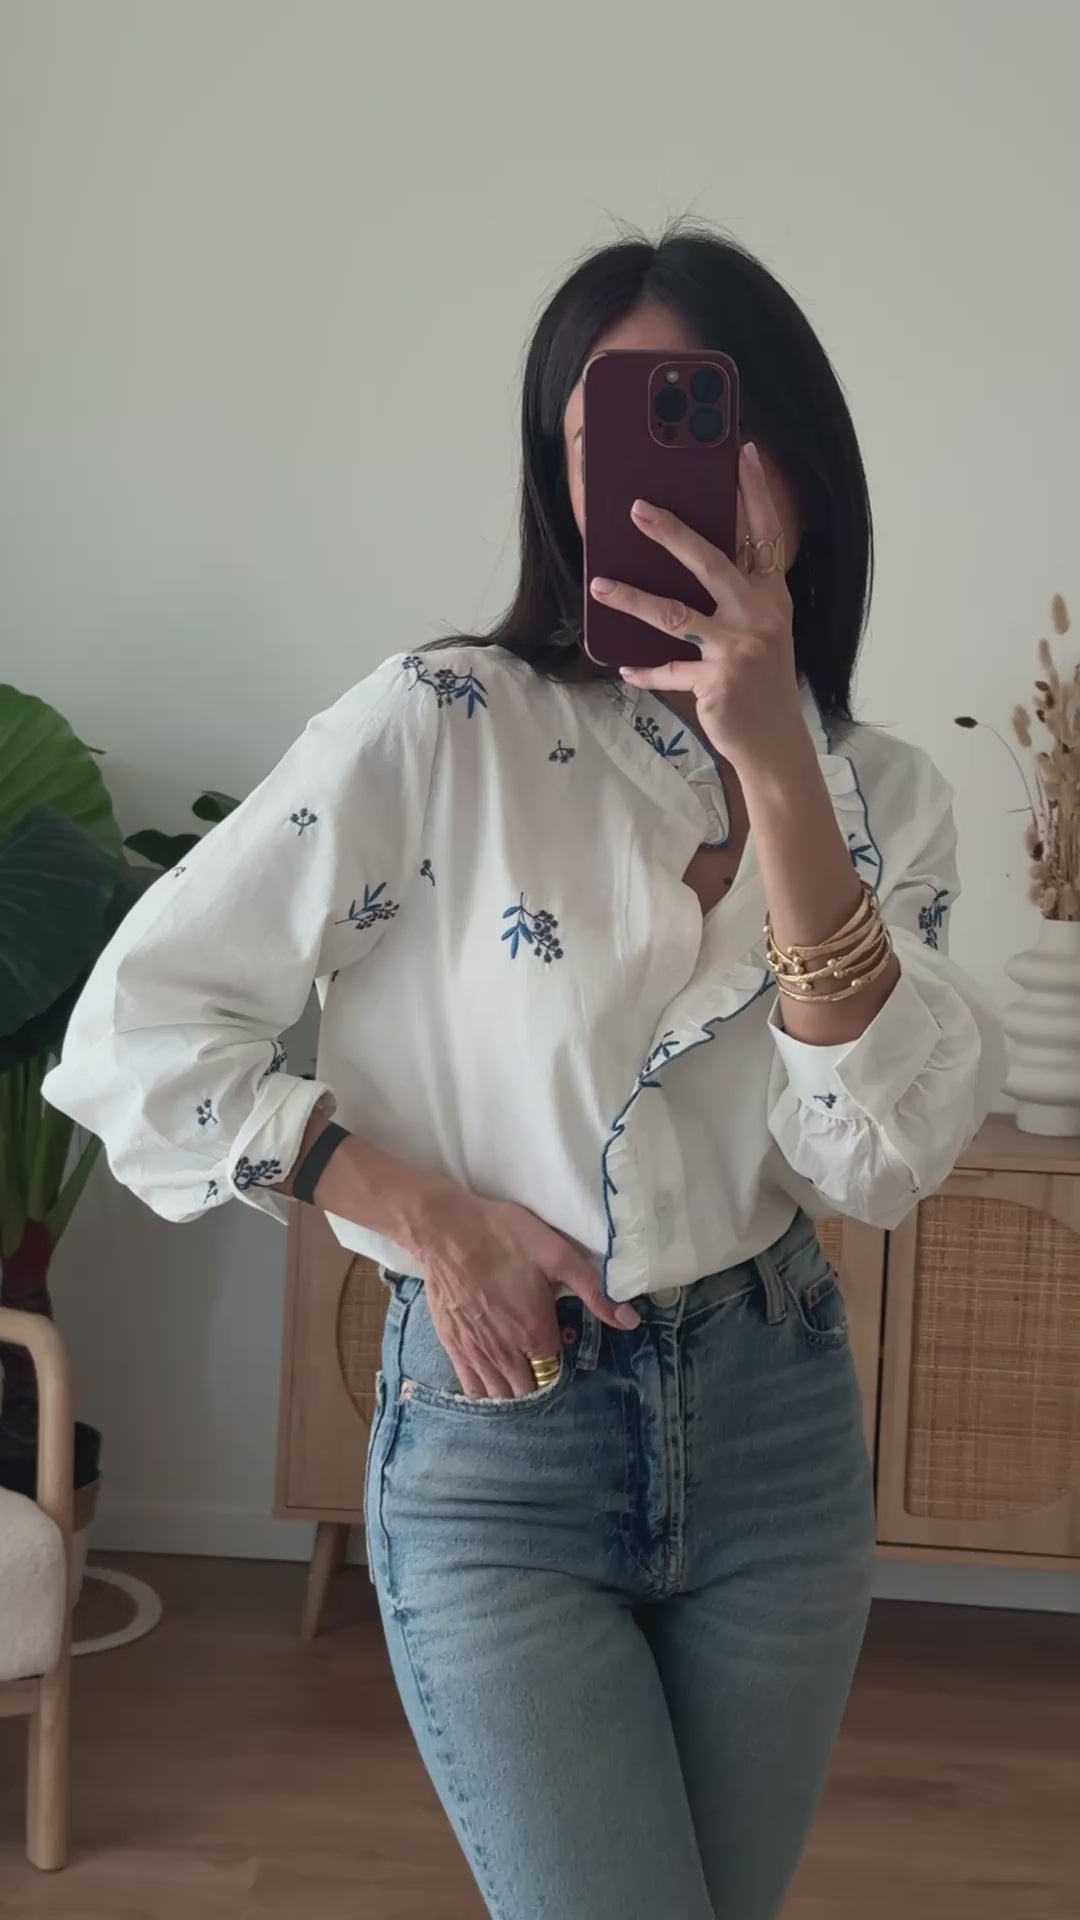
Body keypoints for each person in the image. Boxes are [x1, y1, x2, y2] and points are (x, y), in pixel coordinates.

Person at [46, 224, 1003, 1920]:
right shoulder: (442, 726)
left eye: (701, 417)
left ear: (795, 461)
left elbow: (872, 1157)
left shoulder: (890, 799)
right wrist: (416, 1211)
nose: (650, 479)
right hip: (505, 1434)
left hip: (779, 1432)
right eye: (599, 434)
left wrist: (778, 766)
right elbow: (137, 1027)